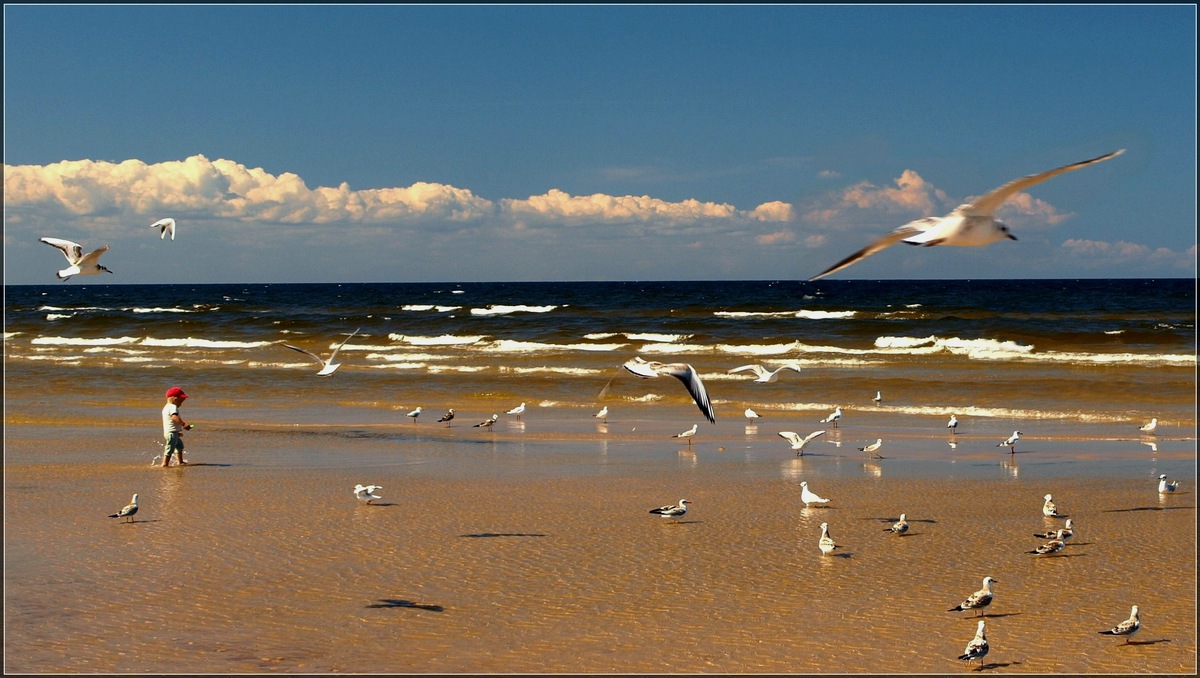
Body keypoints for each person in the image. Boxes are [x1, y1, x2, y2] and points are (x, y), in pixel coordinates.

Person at [161, 386, 193, 467]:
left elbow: (170, 422)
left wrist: (177, 432)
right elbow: (174, 417)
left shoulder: (166, 407)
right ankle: (165, 464)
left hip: (172, 432)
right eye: (181, 402)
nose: (181, 404)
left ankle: (180, 461)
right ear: (175, 399)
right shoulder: (172, 407)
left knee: (179, 446)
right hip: (171, 433)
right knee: (170, 448)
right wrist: (184, 424)